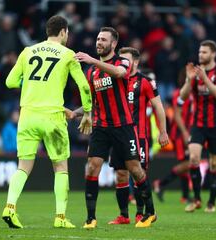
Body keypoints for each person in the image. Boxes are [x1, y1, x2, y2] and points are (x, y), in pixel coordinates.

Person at [2, 15, 92, 229]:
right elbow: (85, 87)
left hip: (28, 116)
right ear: (63, 32)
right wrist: (87, 112)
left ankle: (10, 207)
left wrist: (31, 83)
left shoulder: (27, 51)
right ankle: (60, 217)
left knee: (23, 166)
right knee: (60, 167)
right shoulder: (68, 54)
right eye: (67, 32)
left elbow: (10, 82)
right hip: (52, 116)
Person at [74, 27, 159, 228]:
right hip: (101, 127)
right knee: (93, 166)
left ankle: (150, 212)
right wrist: (84, 114)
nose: (99, 42)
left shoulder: (122, 62)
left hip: (123, 126)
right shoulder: (91, 72)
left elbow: (120, 73)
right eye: (97, 39)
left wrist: (93, 60)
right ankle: (91, 218)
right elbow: (92, 101)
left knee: (135, 170)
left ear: (113, 44)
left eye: (103, 39)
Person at [107, 47, 168, 225]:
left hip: (138, 135)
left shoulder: (146, 82)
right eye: (121, 60)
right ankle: (124, 215)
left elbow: (158, 107)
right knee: (120, 175)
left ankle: (141, 213)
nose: (123, 63)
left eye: (126, 60)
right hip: (118, 135)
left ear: (136, 62)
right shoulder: (115, 79)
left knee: (138, 174)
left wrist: (163, 131)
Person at [180, 40, 216, 213]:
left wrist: (205, 79)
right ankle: (196, 199)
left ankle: (211, 203)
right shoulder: (195, 73)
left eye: (204, 52)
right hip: (198, 124)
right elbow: (183, 96)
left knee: (214, 164)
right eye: (200, 52)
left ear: (213, 54)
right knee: (194, 159)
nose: (200, 55)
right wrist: (189, 80)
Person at [153, 68, 193, 203]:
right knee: (188, 163)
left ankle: (185, 196)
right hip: (180, 134)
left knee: (186, 164)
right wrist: (185, 133)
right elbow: (177, 116)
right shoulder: (178, 94)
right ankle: (161, 183)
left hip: (187, 133)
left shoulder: (193, 94)